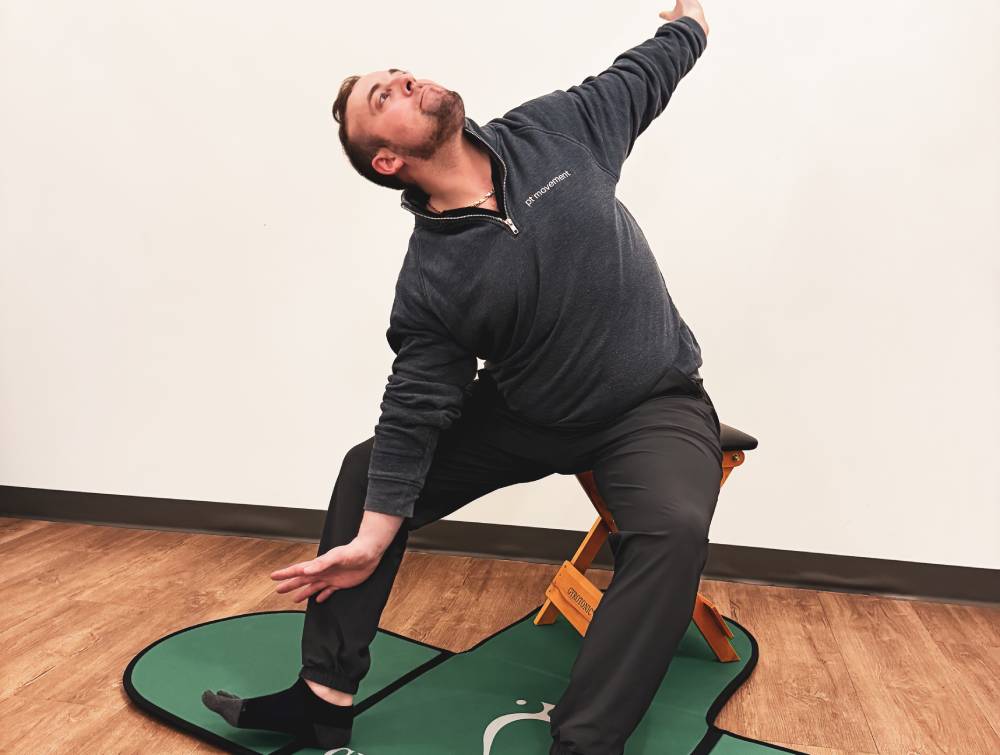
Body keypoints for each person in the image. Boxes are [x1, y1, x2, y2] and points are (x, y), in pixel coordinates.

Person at [203, 2, 719, 752]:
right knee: (370, 467)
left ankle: (585, 742)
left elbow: (638, 77)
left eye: (400, 74)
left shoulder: (554, 130)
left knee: (673, 528)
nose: (406, 81)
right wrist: (375, 536)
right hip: (531, 411)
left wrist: (689, 24)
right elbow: (418, 405)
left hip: (651, 400)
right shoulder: (432, 278)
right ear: (388, 160)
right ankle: (324, 695)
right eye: (385, 96)